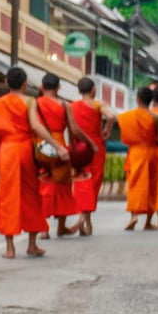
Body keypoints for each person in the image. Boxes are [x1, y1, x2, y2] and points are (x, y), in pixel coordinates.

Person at [0, 66, 61, 258]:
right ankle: (31, 244)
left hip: (6, 152)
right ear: (24, 83)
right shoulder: (29, 101)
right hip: (25, 151)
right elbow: (36, 126)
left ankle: (10, 248)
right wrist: (57, 145)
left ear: (6, 82)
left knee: (7, 198)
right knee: (31, 195)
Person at [115, 85, 158, 230]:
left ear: (137, 99)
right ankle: (148, 222)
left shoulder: (128, 116)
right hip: (152, 152)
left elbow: (125, 137)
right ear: (151, 101)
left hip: (136, 153)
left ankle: (134, 215)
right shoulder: (156, 117)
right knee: (152, 186)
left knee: (135, 184)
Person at [68, 78, 108, 235]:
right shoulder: (98, 105)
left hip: (79, 147)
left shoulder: (72, 106)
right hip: (95, 146)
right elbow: (111, 116)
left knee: (81, 182)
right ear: (93, 90)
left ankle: (86, 222)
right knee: (93, 183)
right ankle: (81, 220)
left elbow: (70, 128)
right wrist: (107, 130)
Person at [36, 73, 74, 238]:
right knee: (63, 185)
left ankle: (43, 228)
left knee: (43, 185)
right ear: (58, 88)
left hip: (40, 146)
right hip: (60, 147)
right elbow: (73, 130)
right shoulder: (65, 105)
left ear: (41, 87)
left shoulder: (35, 104)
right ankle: (61, 227)